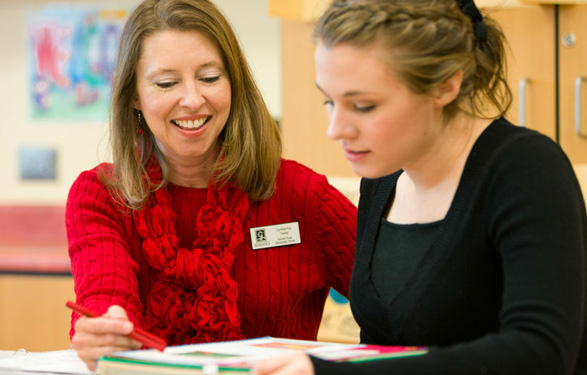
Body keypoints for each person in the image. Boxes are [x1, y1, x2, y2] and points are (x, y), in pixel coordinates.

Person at [253, 0, 587, 374]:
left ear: (445, 86)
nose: (336, 129)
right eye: (329, 101)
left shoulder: (526, 169)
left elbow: (540, 353)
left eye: (363, 105)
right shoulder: (381, 181)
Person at [66, 0, 357, 370]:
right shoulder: (101, 196)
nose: (192, 100)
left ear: (234, 83)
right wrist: (102, 331)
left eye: (209, 78)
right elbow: (105, 299)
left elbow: (397, 302)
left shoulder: (301, 193)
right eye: (166, 83)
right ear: (135, 95)